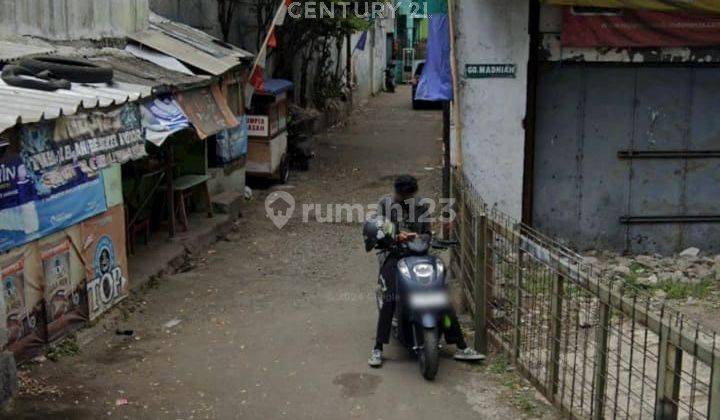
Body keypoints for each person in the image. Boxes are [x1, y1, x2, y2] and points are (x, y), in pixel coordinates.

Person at [368, 175, 485, 367]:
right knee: (391, 296)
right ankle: (378, 348)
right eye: (400, 195)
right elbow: (377, 228)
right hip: (392, 254)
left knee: (440, 295)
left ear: (413, 193)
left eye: (408, 195)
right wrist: (396, 236)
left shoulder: (421, 206)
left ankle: (461, 346)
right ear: (395, 192)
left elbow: (427, 233)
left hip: (418, 253)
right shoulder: (385, 204)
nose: (403, 198)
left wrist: (419, 237)